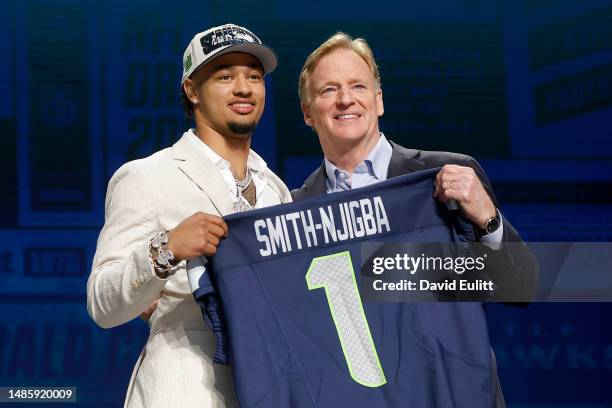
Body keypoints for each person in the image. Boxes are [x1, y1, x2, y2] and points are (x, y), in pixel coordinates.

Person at [293, 32, 538, 407]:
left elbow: (522, 288)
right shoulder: (295, 213)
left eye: (358, 86)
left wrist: (486, 215)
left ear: (378, 101)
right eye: (328, 90)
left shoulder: (450, 174)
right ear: (308, 112)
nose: (345, 99)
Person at [87, 24, 291, 408]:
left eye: (254, 76)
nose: (244, 88)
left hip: (267, 384)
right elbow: (102, 304)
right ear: (192, 90)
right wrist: (166, 250)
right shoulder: (147, 176)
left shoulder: (275, 190)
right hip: (183, 385)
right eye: (225, 76)